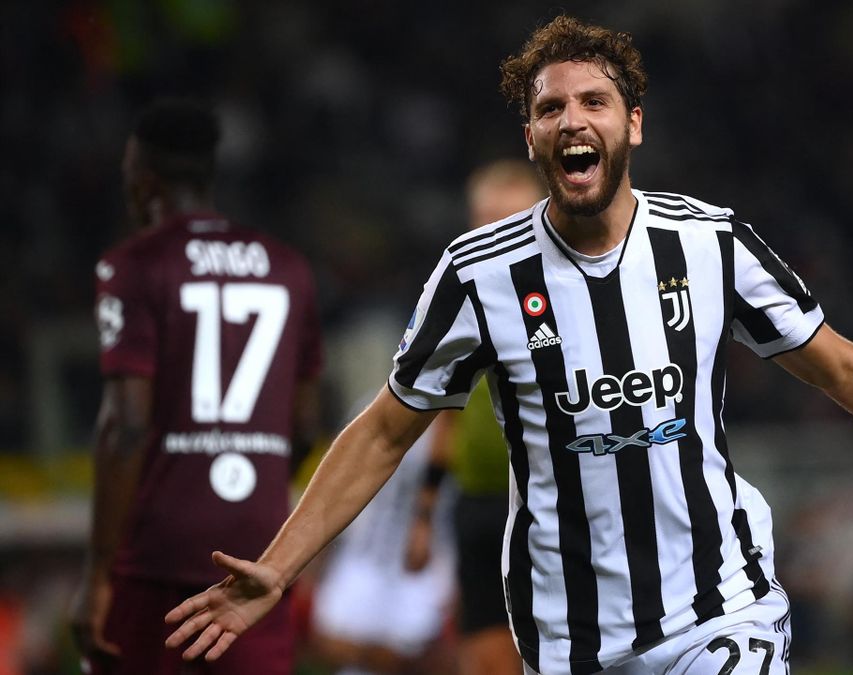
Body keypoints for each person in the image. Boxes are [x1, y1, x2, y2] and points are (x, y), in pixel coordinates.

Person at [164, 16, 853, 675]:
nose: (573, 119)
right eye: (551, 108)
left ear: (632, 124)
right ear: (532, 136)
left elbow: (845, 369)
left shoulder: (710, 243)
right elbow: (382, 430)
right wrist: (278, 566)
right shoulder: (477, 275)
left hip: (719, 608)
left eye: (595, 101)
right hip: (570, 637)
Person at [70, 98, 323, 675]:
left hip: (155, 554)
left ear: (143, 182)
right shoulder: (289, 268)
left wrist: (97, 574)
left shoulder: (134, 265)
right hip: (257, 551)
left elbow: (126, 425)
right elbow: (305, 425)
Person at [406, 159, 545, 675]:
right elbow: (444, 416)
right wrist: (424, 515)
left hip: (550, 503)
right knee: (484, 656)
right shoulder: (459, 304)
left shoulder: (567, 295)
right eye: (486, 220)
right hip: (481, 505)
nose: (497, 233)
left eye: (511, 220)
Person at [309, 398, 457, 675]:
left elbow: (441, 657)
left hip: (425, 563)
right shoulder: (371, 406)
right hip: (366, 554)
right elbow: (323, 642)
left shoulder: (462, 425)